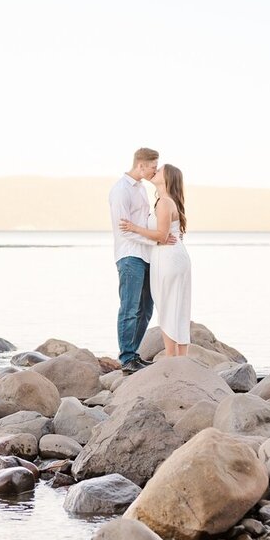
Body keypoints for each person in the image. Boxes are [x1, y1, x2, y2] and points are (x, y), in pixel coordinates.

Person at [108, 148, 175, 375]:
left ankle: (134, 354)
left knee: (146, 308)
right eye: (153, 167)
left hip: (146, 255)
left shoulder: (141, 190)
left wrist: (158, 239)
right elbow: (124, 230)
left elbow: (144, 223)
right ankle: (126, 358)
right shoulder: (121, 190)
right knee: (130, 308)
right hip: (129, 256)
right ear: (141, 165)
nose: (155, 170)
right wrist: (157, 241)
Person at [120, 164, 191, 358]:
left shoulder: (165, 203)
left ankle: (170, 357)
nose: (155, 171)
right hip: (174, 256)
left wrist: (134, 228)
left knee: (167, 304)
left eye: (159, 170)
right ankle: (182, 359)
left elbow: (161, 235)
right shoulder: (167, 202)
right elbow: (165, 234)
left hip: (167, 257)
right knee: (179, 306)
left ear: (167, 178)